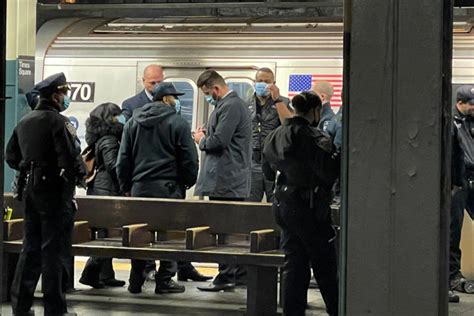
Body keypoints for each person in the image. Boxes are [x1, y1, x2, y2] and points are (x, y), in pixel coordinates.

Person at [5, 72, 83, 316]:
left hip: (30, 190)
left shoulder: (25, 122)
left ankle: (21, 306)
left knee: (30, 248)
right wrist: (76, 177)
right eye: (64, 93)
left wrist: (30, 167)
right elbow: (70, 158)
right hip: (55, 193)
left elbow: (11, 156)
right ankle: (55, 308)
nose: (65, 98)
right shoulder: (61, 122)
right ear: (56, 95)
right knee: (54, 251)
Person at [117, 82, 200, 294]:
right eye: (175, 97)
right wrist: (187, 181)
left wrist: (126, 185)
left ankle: (136, 280)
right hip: (168, 189)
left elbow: (123, 158)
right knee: (169, 235)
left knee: (139, 234)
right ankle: (165, 280)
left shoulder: (133, 122)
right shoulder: (177, 123)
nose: (177, 101)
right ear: (165, 99)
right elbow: (189, 157)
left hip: (139, 188)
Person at [262, 91, 339, 316]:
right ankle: (336, 310)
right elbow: (328, 172)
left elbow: (267, 171)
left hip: (282, 204)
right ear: (315, 111)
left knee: (294, 263)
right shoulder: (314, 137)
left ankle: (292, 312)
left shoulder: (275, 134)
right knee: (324, 263)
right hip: (309, 207)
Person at [193, 70, 252, 292]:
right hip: (226, 179)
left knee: (225, 229)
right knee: (226, 228)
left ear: (216, 89)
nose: (209, 97)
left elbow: (219, 141)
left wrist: (201, 139)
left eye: (208, 93)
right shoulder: (228, 107)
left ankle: (227, 275)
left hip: (227, 179)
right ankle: (232, 274)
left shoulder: (230, 106)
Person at [78, 102, 127, 289]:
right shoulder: (109, 139)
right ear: (111, 118)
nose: (122, 118)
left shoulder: (99, 137)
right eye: (118, 115)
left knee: (106, 234)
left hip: (99, 187)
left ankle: (106, 275)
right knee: (108, 236)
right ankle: (90, 273)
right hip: (107, 189)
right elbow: (113, 165)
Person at [247, 67, 292, 202]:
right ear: (254, 83)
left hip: (275, 162)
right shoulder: (245, 103)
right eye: (259, 81)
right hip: (252, 161)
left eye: (267, 81)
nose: (263, 84)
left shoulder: (283, 102)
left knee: (276, 203)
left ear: (274, 83)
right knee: (250, 204)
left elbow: (289, 124)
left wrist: (277, 100)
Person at [450, 85, 474, 298]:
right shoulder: (451, 123)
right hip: (460, 180)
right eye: (470, 104)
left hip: (472, 177)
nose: (473, 108)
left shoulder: (472, 123)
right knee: (453, 229)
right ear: (460, 104)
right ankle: (452, 275)